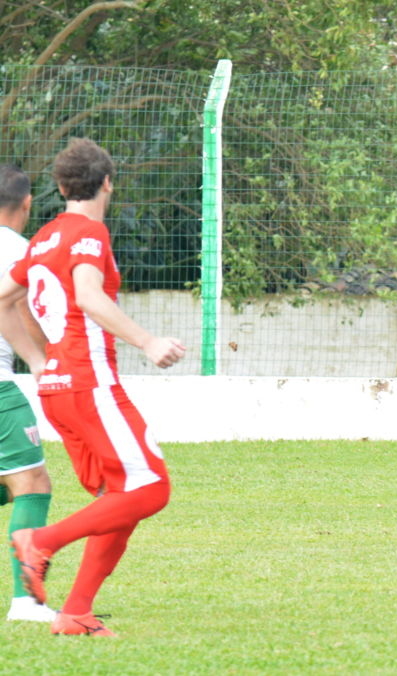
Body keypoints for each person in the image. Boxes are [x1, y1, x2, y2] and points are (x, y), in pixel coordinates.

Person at [0, 138, 186, 637]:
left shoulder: (42, 239)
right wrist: (148, 342)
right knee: (152, 488)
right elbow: (87, 295)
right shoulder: (88, 233)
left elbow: (4, 301)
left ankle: (77, 611)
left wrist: (40, 361)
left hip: (61, 386)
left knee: (120, 496)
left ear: (60, 187)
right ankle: (41, 542)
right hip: (89, 382)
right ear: (108, 182)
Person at [0, 166, 55, 622]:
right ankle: (27, 602)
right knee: (31, 483)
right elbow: (21, 309)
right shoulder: (22, 251)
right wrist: (47, 359)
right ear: (28, 203)